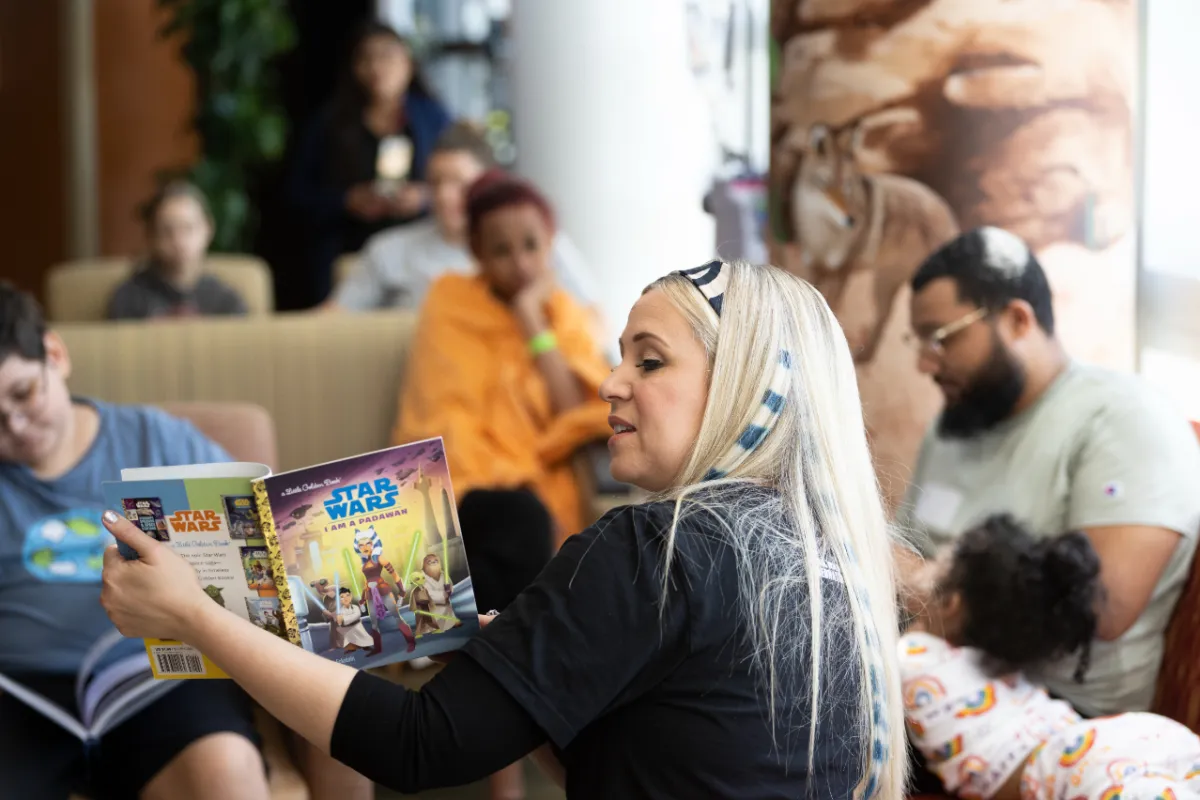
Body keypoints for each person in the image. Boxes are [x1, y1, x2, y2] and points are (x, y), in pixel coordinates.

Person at [99, 260, 909, 799]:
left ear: (739, 385)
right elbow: (678, 762)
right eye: (621, 354)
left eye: (650, 361)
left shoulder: (652, 552)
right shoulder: (823, 554)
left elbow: (419, 746)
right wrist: (538, 682)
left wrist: (195, 615)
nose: (610, 381)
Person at [0, 282, 368, 800]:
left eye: (23, 394)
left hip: (161, 679)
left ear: (55, 355)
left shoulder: (158, 440)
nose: (14, 425)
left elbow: (269, 544)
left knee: (228, 775)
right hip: (22, 694)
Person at [895, 227, 1200, 787]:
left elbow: (1100, 606)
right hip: (930, 661)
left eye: (940, 337)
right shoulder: (954, 427)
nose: (926, 364)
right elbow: (900, 545)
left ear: (1017, 319)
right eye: (918, 342)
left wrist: (922, 590)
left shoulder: (1123, 420)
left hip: (1051, 713)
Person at [901, 514, 1200, 799]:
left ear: (951, 603)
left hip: (1075, 762)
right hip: (1126, 736)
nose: (923, 565)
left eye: (937, 563)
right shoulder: (988, 661)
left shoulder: (913, 656)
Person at [326, 122, 602, 316]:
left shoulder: (536, 242)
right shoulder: (388, 250)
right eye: (436, 183)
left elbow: (592, 318)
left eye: (459, 182)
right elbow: (331, 320)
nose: (445, 196)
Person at [287, 21, 453, 309]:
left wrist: (425, 197)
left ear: (408, 62)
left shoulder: (434, 119)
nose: (377, 67)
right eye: (366, 58)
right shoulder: (329, 124)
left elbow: (465, 182)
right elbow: (297, 195)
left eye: (387, 56)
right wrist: (347, 200)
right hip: (347, 251)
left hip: (418, 251)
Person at [107, 180, 247, 320]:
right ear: (151, 236)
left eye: (188, 228)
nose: (178, 241)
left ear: (208, 229)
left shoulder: (227, 301)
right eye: (167, 231)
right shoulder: (128, 298)